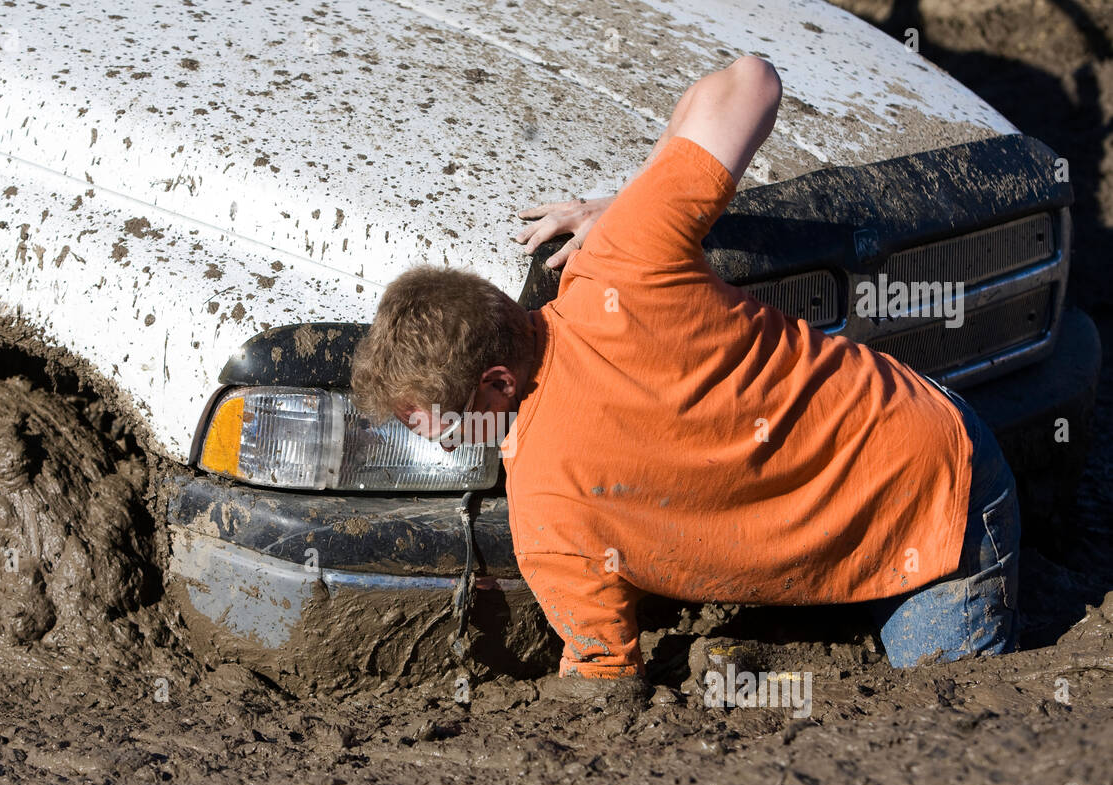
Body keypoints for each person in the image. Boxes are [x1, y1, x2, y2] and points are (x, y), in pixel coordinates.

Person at [350, 56, 1020, 693]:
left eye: (431, 421)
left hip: (935, 497)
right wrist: (636, 200)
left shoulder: (547, 511)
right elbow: (750, 80)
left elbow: (603, 675)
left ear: (497, 384)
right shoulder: (622, 257)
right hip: (916, 430)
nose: (433, 440)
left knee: (957, 707)